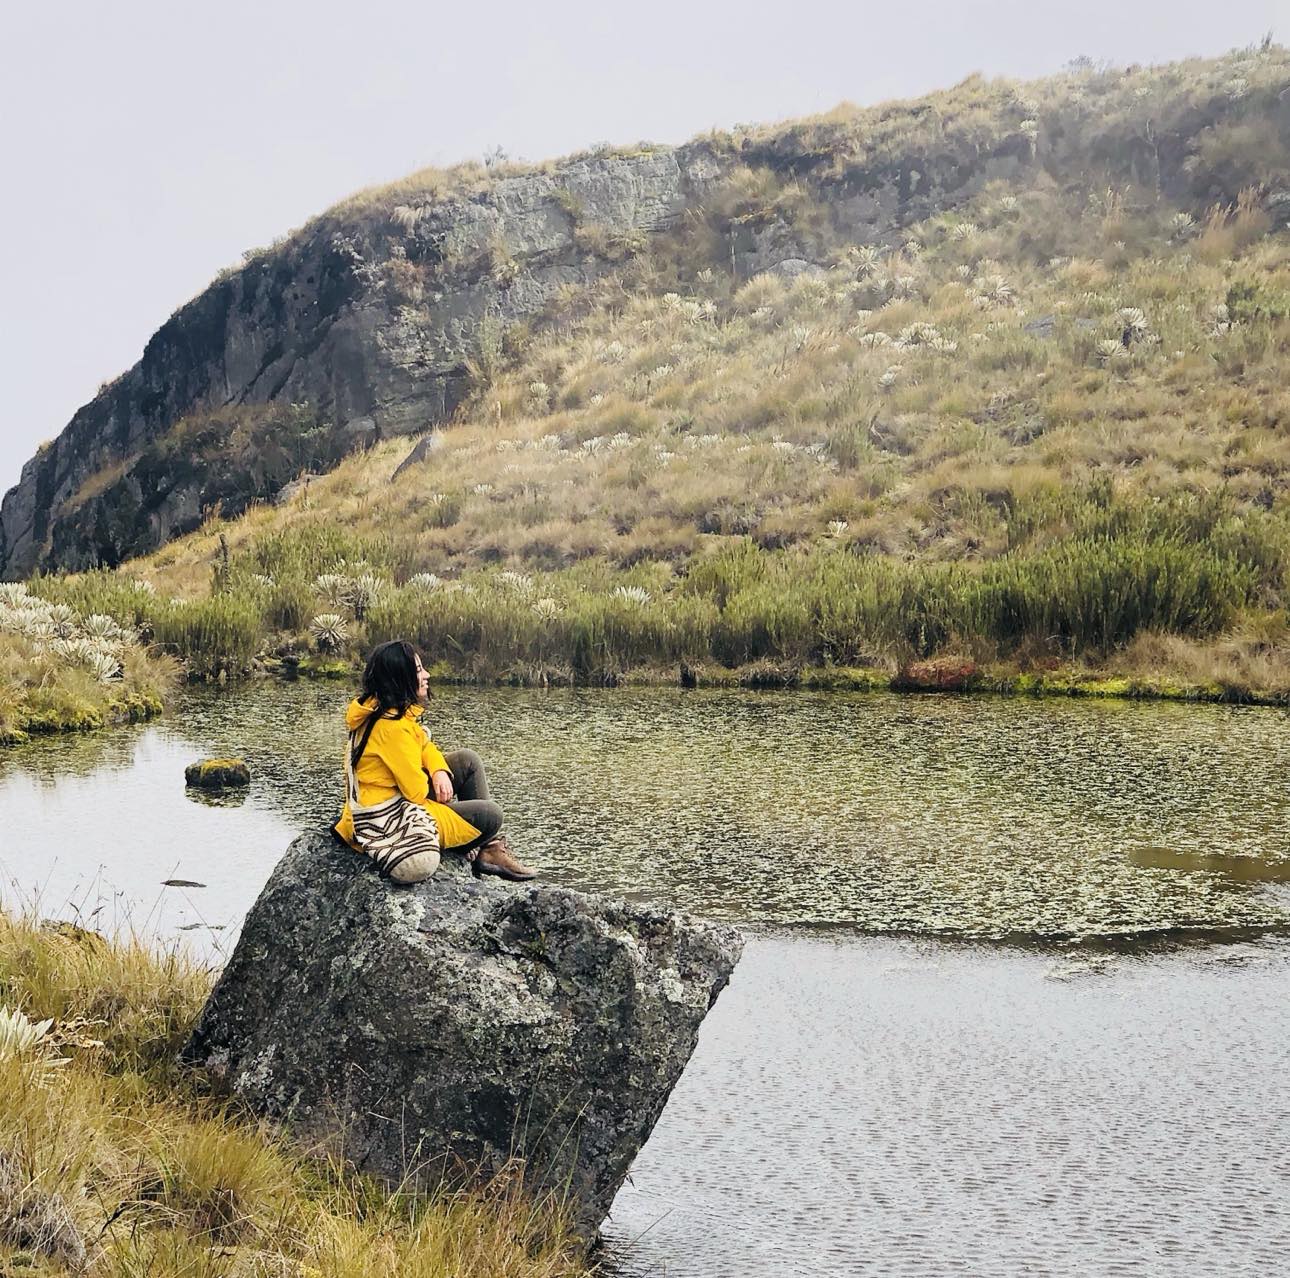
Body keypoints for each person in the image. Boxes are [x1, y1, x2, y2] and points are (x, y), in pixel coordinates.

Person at [333, 639, 537, 881]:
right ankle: (484, 847)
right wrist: (437, 787)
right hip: (390, 816)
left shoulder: (379, 708)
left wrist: (439, 770)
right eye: (419, 670)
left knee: (468, 761)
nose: (427, 674)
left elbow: (422, 742)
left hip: (390, 798)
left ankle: (488, 849)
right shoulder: (392, 728)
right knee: (491, 815)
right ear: (401, 678)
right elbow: (416, 791)